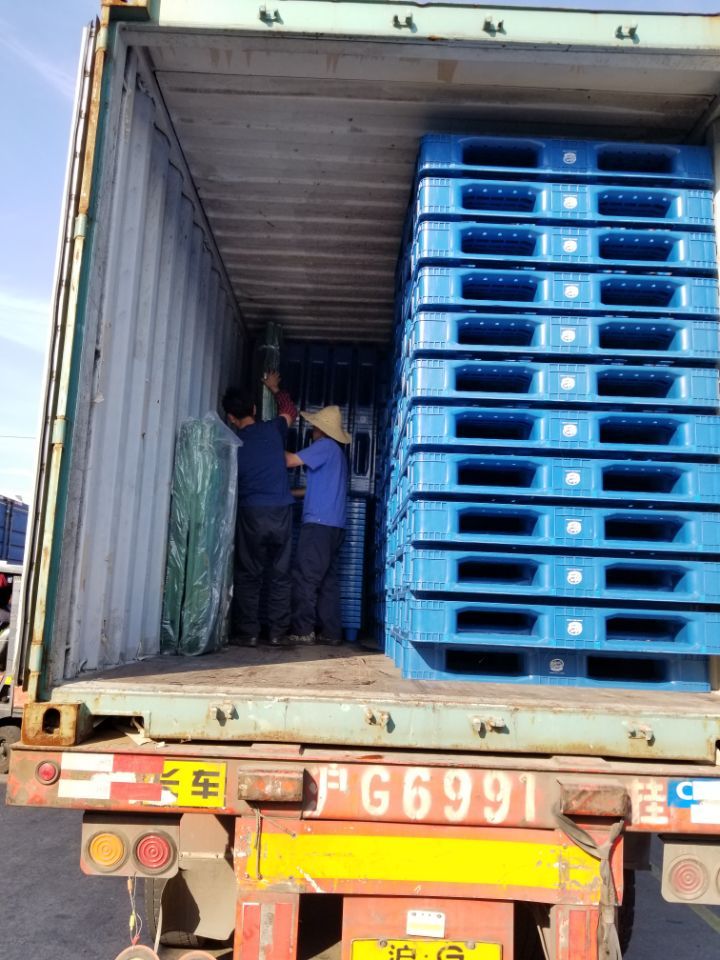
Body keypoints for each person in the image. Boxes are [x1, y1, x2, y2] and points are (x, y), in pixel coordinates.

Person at [222, 371, 297, 647]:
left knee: (249, 574)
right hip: (280, 511)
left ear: (230, 418)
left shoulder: (232, 445)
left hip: (251, 513)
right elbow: (290, 410)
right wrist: (275, 388)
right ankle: (278, 633)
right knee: (280, 574)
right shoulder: (273, 429)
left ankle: (249, 633)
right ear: (254, 409)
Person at [285, 405, 351, 646]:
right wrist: (290, 493)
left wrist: (267, 446)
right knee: (327, 581)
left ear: (320, 430)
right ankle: (331, 632)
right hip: (335, 527)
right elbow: (315, 490)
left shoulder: (323, 447)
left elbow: (290, 461)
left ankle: (303, 630)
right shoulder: (338, 455)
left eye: (314, 426)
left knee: (305, 578)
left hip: (319, 526)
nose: (312, 430)